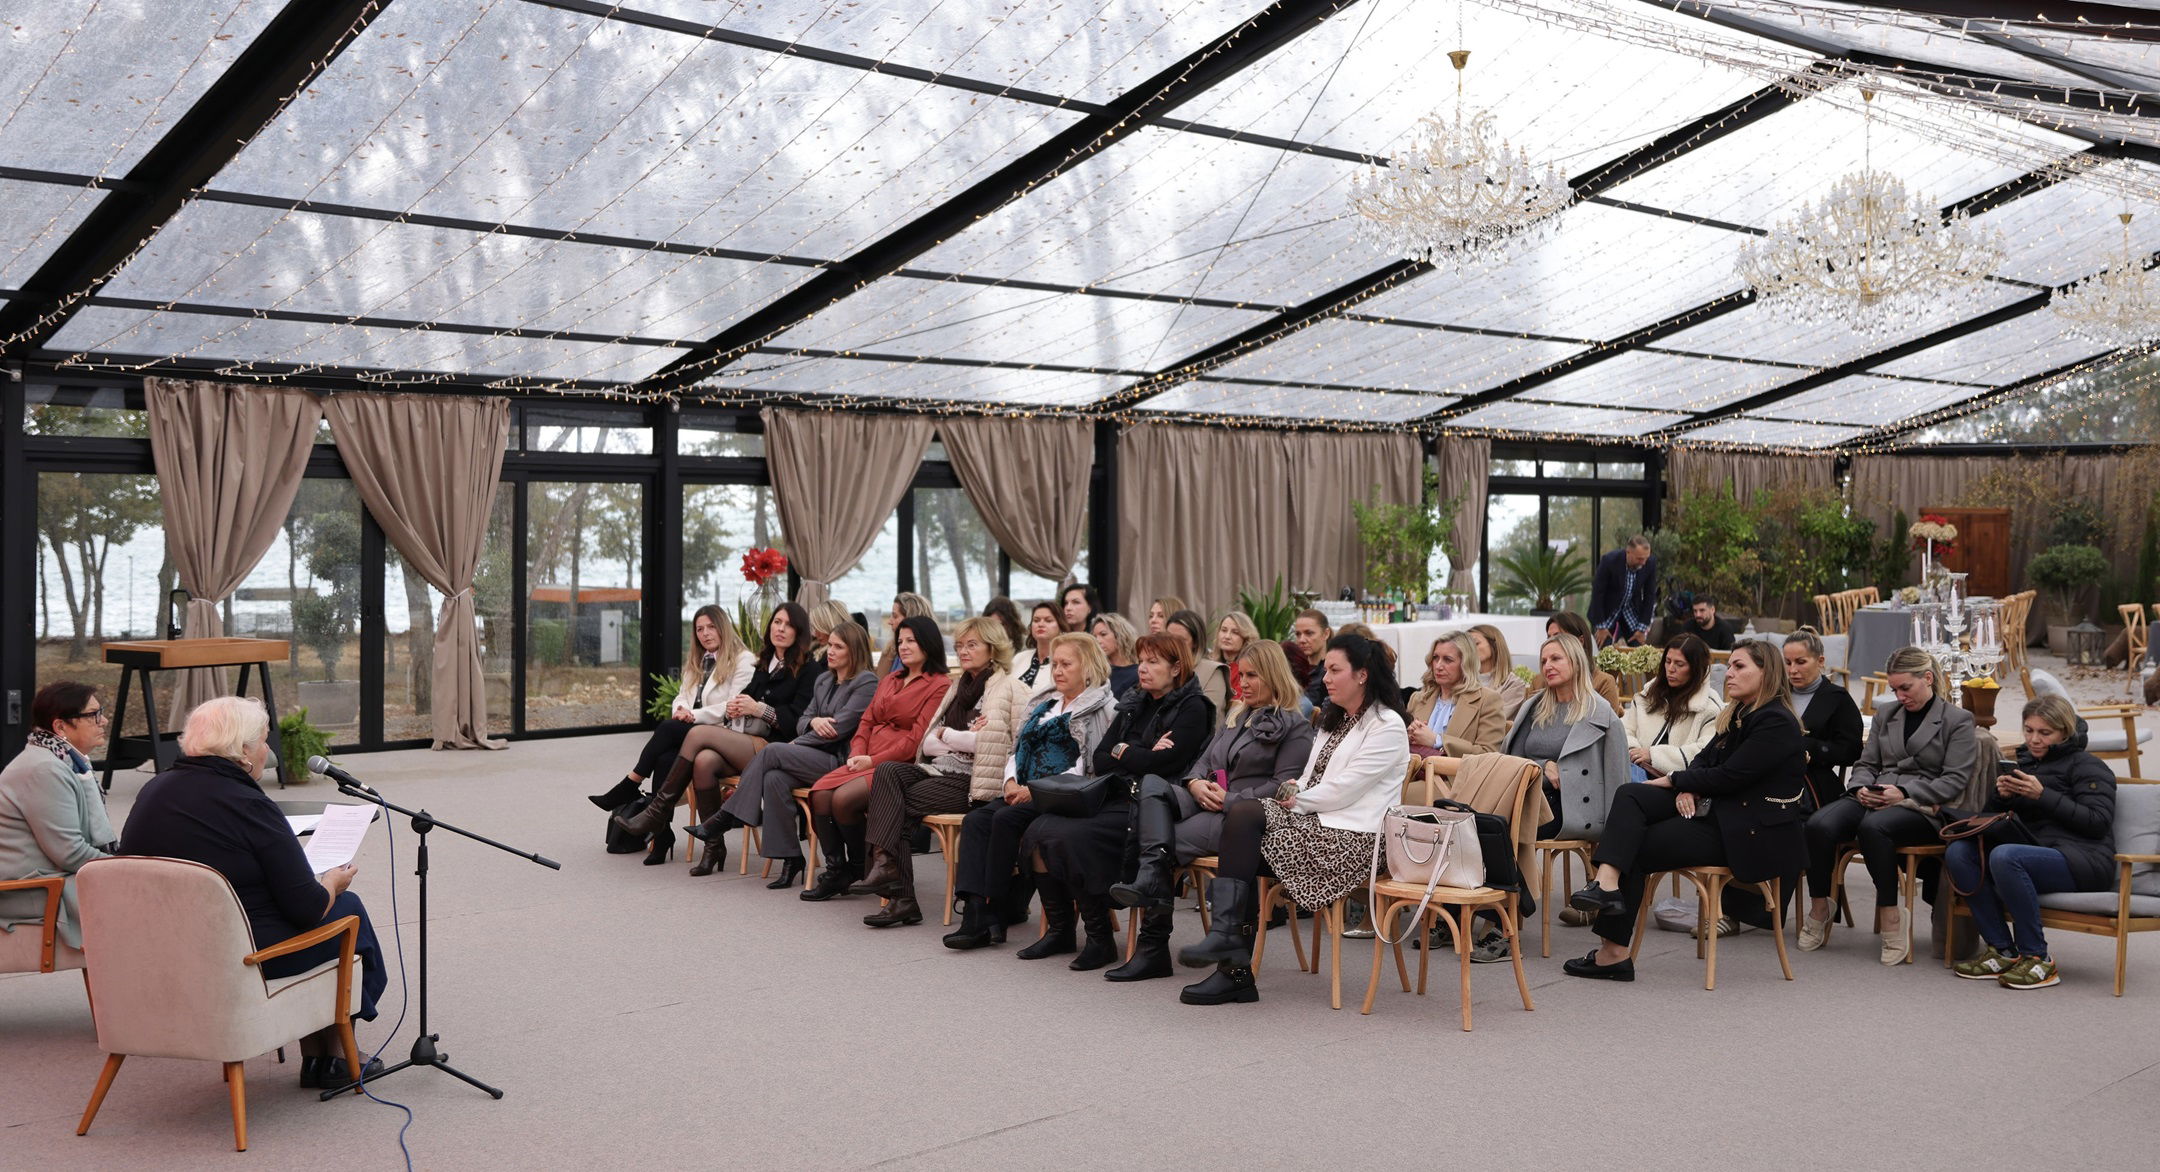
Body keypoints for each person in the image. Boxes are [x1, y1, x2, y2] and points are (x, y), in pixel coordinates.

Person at [120, 696, 388, 1087]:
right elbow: (307, 908)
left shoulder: (154, 791)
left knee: (310, 911)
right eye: (263, 741)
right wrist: (331, 882)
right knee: (346, 908)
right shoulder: (247, 804)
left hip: (166, 952)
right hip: (240, 957)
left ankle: (319, 1056)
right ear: (243, 752)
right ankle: (334, 1056)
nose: (268, 751)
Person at [1174, 634, 1411, 1006]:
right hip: (1315, 826)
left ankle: (1232, 961)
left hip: (1354, 841)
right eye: (1326, 670)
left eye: (1335, 670)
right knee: (1242, 835)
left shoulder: (1387, 725)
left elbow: (1344, 790)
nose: (1325, 678)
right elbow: (1306, 778)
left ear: (1362, 675)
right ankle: (1231, 963)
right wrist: (1292, 792)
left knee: (1243, 823)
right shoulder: (1335, 719)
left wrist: (1291, 800)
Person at [1561, 640, 1808, 982]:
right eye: (1730, 665)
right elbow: (1704, 760)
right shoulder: (1739, 713)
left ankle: (1613, 953)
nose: (1729, 673)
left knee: (1634, 844)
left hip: (1748, 832)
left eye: (1739, 666)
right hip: (1720, 812)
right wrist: (1690, 784)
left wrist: (1677, 780)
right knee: (1631, 794)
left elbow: (1732, 775)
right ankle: (1606, 884)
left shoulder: (1776, 722)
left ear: (1766, 673)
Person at [1111, 641, 1315, 982]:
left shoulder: (1295, 727)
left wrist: (1230, 799)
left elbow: (1282, 787)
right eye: (1241, 675)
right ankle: (1150, 893)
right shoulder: (1237, 715)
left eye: (1252, 676)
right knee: (1152, 785)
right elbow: (1203, 761)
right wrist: (1194, 784)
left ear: (1274, 675)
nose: (1242, 683)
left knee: (1159, 845)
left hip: (1242, 817)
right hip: (1207, 798)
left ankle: (1152, 946)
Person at [1020, 632, 1213, 973]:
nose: (1143, 668)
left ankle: (1100, 939)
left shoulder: (1193, 707)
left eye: (1153, 662)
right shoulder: (1134, 702)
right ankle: (1062, 930)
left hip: (1153, 806)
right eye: (1141, 661)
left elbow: (1164, 765)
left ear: (1176, 668)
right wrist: (1138, 752)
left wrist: (1125, 752)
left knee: (1073, 836)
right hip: (1117, 793)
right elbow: (1101, 757)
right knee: (1039, 830)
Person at [1798, 645, 1977, 963]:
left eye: (1905, 688)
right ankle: (1821, 906)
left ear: (1928, 678)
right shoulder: (1886, 714)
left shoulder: (1958, 720)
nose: (1899, 696)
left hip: (1923, 807)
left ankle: (1891, 914)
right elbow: (1866, 763)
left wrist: (1904, 793)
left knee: (1874, 827)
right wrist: (1860, 788)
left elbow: (1954, 780)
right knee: (1819, 824)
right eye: (1894, 689)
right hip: (1876, 794)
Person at [852, 617, 1028, 927]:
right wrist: (959, 738)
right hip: (939, 770)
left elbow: (1007, 745)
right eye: (959, 645)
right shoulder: (957, 686)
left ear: (992, 647)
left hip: (973, 781)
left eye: (972, 645)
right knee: (888, 771)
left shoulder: (1011, 688)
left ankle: (899, 893)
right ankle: (886, 867)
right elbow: (928, 742)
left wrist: (951, 736)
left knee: (894, 806)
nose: (963, 651)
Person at [945, 632, 1116, 950]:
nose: (1058, 671)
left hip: (1062, 795)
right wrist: (1010, 781)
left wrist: (1034, 790)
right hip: (1022, 788)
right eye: (1055, 664)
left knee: (1005, 819)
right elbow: (1017, 749)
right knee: (976, 821)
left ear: (1088, 666)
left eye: (1066, 664)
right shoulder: (1044, 702)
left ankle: (996, 913)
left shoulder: (1103, 709)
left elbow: (1087, 767)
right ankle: (975, 913)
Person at [1948, 695, 2117, 990]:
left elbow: (2097, 822)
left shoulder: (2089, 766)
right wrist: (2002, 797)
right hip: (2036, 852)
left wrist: (2043, 795)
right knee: (1959, 852)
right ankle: (2002, 951)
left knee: (2005, 856)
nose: (2034, 739)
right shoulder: (2025, 764)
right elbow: (1994, 820)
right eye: (2029, 730)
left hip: (2084, 860)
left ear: (2064, 732)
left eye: (2044, 733)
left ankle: (2038, 958)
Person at [692, 622, 879, 887]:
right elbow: (803, 720)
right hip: (811, 755)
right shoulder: (824, 680)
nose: (830, 651)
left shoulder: (866, 682)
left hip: (840, 761)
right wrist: (813, 722)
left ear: (855, 651)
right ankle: (791, 858)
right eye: (830, 645)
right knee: (774, 779)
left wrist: (797, 743)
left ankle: (725, 817)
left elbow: (838, 729)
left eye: (838, 647)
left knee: (773, 751)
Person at [800, 615, 953, 900]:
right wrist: (858, 752)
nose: (903, 646)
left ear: (928, 643)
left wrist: (872, 760)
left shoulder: (940, 685)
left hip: (898, 766)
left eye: (911, 641)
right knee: (819, 794)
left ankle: (860, 865)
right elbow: (866, 722)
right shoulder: (890, 679)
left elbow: (916, 740)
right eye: (900, 641)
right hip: (865, 757)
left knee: (842, 799)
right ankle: (838, 869)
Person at [607, 604, 759, 861]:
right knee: (665, 757)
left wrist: (693, 716)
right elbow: (682, 695)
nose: (705, 633)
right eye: (699, 629)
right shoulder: (699, 659)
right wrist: (681, 709)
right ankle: (662, 835)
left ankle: (631, 784)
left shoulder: (744, 659)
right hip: (694, 731)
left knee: (668, 729)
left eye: (711, 627)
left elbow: (734, 706)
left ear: (723, 627)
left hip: (726, 735)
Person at [0, 682, 116, 957]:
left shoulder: (62, 760)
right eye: (94, 715)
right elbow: (70, 853)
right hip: (29, 890)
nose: (104, 721)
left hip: (46, 878)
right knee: (149, 897)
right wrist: (126, 868)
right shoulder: (44, 770)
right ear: (61, 726)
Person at [1502, 635, 1628, 843]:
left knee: (1502, 831)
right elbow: (1512, 761)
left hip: (1572, 807)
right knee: (1487, 825)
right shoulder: (1534, 707)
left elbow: (1617, 778)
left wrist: (1614, 836)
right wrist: (1544, 766)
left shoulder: (1600, 713)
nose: (1547, 666)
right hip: (1528, 796)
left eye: (1556, 659)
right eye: (1543, 661)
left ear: (1576, 662)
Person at [1784, 629, 1864, 812]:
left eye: (1801, 662)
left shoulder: (1838, 699)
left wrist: (1809, 747)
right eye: (1788, 662)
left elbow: (1852, 751)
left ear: (1820, 661)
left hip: (1812, 785)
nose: (1792, 670)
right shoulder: (1777, 694)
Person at [1621, 633, 1720, 782]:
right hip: (1635, 768)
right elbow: (1624, 729)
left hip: (1676, 781)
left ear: (1696, 668)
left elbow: (1705, 752)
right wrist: (1633, 751)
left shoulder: (1709, 707)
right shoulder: (1648, 694)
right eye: (1667, 661)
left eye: (1679, 664)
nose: (1671, 669)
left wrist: (1653, 755)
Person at [1406, 630, 1505, 759]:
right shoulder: (1418, 698)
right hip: (1414, 769)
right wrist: (1408, 735)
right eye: (1435, 658)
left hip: (1457, 772)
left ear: (1466, 664)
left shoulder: (1487, 700)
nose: (1438, 666)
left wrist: (1437, 741)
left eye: (1448, 660)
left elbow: (1488, 755)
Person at [1530, 611, 1624, 715]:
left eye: (1559, 637)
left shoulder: (1603, 682)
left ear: (1580, 641)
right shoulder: (1538, 682)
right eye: (1549, 638)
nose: (1551, 643)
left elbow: (1608, 722)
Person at [1588, 534, 1657, 647]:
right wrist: (1601, 627)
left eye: (1646, 558)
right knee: (1604, 648)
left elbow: (1649, 595)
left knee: (1638, 647)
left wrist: (1642, 628)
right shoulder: (1609, 561)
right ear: (1628, 552)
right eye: (1640, 558)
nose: (1643, 562)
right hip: (1607, 610)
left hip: (1630, 609)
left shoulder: (1650, 563)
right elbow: (1597, 594)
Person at [1167, 608, 1231, 723]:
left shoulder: (1212, 671)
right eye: (1169, 638)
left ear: (1195, 642)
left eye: (1181, 640)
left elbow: (1206, 718)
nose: (1173, 645)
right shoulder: (1161, 668)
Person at [1470, 623, 1527, 721]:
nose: (1470, 649)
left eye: (1476, 643)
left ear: (1494, 645)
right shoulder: (1462, 681)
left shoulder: (1513, 685)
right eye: (1466, 646)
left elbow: (1494, 721)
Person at [1011, 601, 1064, 698]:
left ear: (1060, 626)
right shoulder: (1019, 658)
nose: (1041, 624)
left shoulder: (1065, 662)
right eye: (1036, 620)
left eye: (1048, 620)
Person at [876, 592, 934, 675]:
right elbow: (880, 680)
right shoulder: (891, 649)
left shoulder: (924, 658)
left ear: (910, 619)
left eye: (895, 616)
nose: (889, 622)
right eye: (900, 642)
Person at [1283, 609, 1330, 701]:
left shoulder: (1331, 671)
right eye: (1298, 634)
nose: (1302, 640)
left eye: (1309, 633)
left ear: (1326, 634)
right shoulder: (1291, 669)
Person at [1092, 611, 1140, 698]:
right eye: (1095, 637)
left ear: (1120, 635)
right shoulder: (1095, 673)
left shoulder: (1138, 673)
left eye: (1103, 634)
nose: (1097, 641)